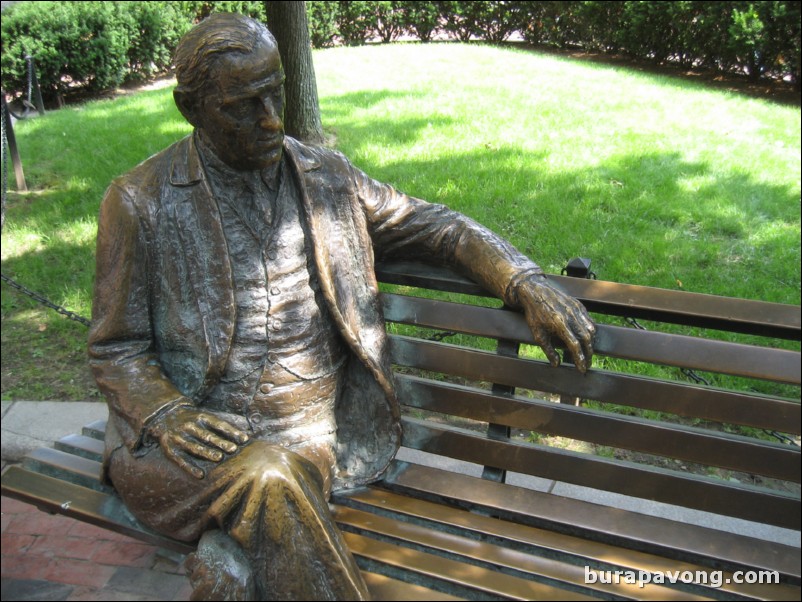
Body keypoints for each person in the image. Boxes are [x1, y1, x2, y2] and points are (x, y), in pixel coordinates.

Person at [88, 13, 595, 601]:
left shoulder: (327, 177)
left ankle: (232, 555)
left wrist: (523, 279)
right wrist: (165, 412)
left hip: (311, 440)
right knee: (266, 479)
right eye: (244, 105)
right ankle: (230, 546)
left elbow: (437, 228)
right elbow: (114, 347)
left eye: (275, 91)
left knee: (273, 484)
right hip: (184, 455)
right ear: (190, 108)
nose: (272, 119)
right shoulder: (139, 202)